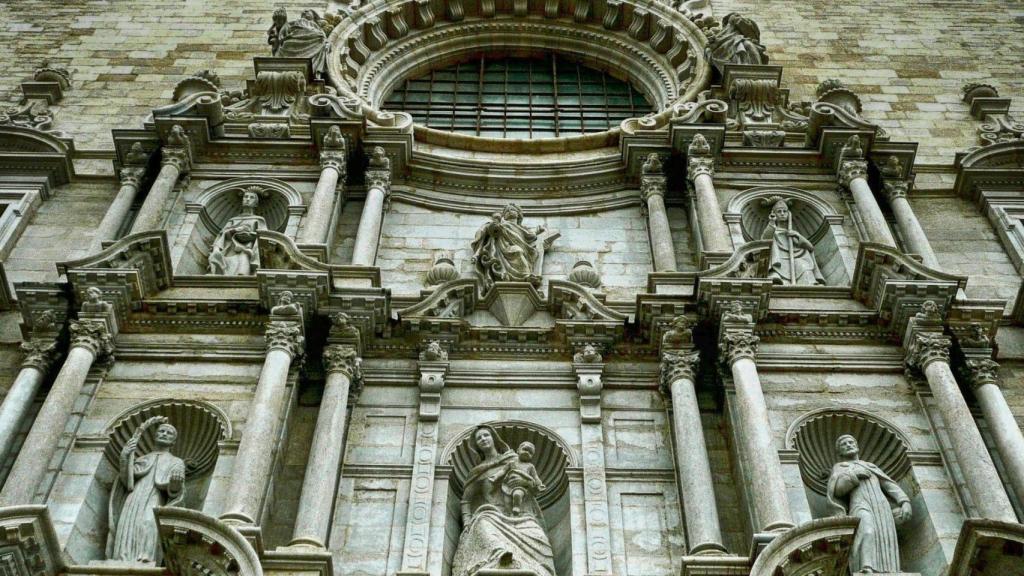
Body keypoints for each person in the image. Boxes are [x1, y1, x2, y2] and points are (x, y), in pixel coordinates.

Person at [451, 426, 555, 576]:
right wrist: (467, 523)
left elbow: (535, 488)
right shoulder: (478, 471)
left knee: (538, 536)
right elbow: (466, 500)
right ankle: (500, 555)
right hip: (491, 514)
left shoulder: (514, 460)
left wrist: (526, 483)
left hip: (520, 515)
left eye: (486, 435)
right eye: (479, 438)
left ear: (494, 438)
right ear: (476, 446)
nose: (483, 439)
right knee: (482, 523)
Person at [827, 434, 912, 574]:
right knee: (867, 531)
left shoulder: (871, 466)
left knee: (884, 535)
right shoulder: (840, 467)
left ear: (857, 446)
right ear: (839, 452)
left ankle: (890, 570)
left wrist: (904, 501)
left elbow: (890, 485)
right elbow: (837, 491)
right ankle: (866, 567)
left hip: (881, 506)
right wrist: (854, 476)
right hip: (860, 504)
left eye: (851, 442)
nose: (848, 445)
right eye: (844, 444)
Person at [107, 417, 186, 564]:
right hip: (134, 497)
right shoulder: (142, 459)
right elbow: (126, 482)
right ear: (154, 436)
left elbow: (175, 492)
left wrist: (175, 483)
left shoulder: (176, 462)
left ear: (173, 442)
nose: (164, 434)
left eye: (169, 433)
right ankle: (122, 557)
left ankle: (146, 558)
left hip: (155, 498)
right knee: (129, 525)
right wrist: (125, 457)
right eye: (161, 431)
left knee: (149, 523)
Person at [470, 204, 548, 291]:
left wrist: (538, 231)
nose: (509, 211)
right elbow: (489, 229)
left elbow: (530, 235)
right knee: (517, 251)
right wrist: (494, 226)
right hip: (504, 247)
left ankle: (526, 276)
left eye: (512, 209)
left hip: (523, 248)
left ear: (518, 214)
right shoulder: (502, 224)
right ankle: (525, 276)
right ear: (504, 216)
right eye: (507, 211)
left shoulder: (522, 228)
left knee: (520, 251)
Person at [761, 198, 825, 286]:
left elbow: (810, 247)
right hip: (778, 260)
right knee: (771, 241)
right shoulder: (773, 231)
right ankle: (775, 275)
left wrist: (797, 236)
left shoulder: (793, 233)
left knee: (804, 266)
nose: (782, 214)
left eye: (785, 211)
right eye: (779, 212)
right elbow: (764, 240)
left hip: (796, 258)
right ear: (774, 213)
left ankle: (809, 282)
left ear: (788, 214)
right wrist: (772, 222)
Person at [208, 188, 266, 276]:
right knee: (227, 263)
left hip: (247, 248)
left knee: (244, 261)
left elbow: (264, 237)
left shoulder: (258, 220)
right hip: (230, 249)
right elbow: (222, 234)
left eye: (251, 198)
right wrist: (235, 230)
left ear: (256, 204)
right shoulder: (233, 220)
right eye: (245, 197)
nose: (247, 199)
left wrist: (250, 234)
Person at [268, 8, 330, 77]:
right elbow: (285, 29)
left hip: (315, 41)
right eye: (303, 12)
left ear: (314, 15)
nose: (305, 12)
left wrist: (326, 44)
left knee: (321, 41)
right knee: (287, 44)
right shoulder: (297, 22)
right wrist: (281, 19)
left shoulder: (317, 27)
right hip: (295, 39)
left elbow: (324, 39)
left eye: (307, 11)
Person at [501, 442, 546, 516]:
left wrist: (540, 485)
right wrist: (495, 476)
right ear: (518, 450)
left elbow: (535, 478)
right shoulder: (511, 462)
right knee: (507, 501)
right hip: (507, 487)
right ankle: (509, 515)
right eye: (525, 449)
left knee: (517, 494)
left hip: (522, 488)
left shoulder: (530, 466)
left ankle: (516, 509)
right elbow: (503, 471)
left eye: (530, 452)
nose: (527, 452)